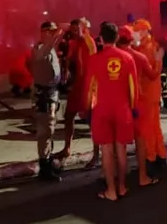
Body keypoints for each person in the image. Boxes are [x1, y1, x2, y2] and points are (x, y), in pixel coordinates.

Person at [86, 22, 139, 201]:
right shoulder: (127, 58)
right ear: (117, 38)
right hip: (122, 108)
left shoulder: (94, 60)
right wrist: (133, 107)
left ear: (101, 38)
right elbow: (133, 88)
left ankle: (110, 191)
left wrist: (88, 108)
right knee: (121, 149)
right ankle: (122, 186)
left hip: (102, 110)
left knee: (106, 150)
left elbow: (90, 89)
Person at [116, 25, 161, 185]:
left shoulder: (110, 56)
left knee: (119, 142)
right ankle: (143, 177)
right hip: (137, 102)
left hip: (117, 103)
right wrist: (159, 59)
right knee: (140, 141)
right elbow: (153, 75)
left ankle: (120, 180)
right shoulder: (139, 56)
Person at [55, 18, 98, 166]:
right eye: (72, 29)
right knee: (68, 116)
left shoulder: (89, 42)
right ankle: (67, 148)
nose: (74, 32)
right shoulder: (74, 43)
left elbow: (94, 63)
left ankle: (96, 153)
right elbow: (68, 59)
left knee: (92, 121)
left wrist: (92, 90)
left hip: (89, 85)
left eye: (76, 28)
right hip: (78, 84)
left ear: (84, 28)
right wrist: (66, 71)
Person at [29, 21, 63, 182]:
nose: (54, 35)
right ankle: (45, 167)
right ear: (44, 33)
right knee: (45, 132)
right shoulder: (39, 49)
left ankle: (48, 161)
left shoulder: (50, 49)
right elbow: (43, 53)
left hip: (51, 94)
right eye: (51, 32)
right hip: (43, 97)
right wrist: (57, 36)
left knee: (50, 131)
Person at [133, 19, 167, 173]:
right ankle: (160, 156)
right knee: (154, 127)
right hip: (151, 94)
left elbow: (151, 72)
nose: (136, 34)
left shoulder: (145, 48)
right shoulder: (149, 46)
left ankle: (151, 158)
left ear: (145, 31)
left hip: (146, 94)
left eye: (138, 31)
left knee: (146, 128)